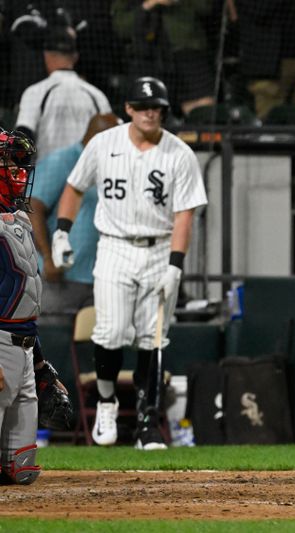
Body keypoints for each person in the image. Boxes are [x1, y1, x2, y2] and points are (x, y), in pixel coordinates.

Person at [51, 76, 208, 450]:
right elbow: (74, 186)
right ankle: (106, 401)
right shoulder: (104, 144)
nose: (150, 113)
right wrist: (61, 232)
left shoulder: (179, 154)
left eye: (157, 108)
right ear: (129, 109)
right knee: (110, 331)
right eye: (143, 107)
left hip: (158, 249)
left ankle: (147, 424)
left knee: (152, 339)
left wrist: (175, 264)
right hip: (115, 247)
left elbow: (185, 213)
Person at [29, 114, 122, 321]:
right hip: (61, 279)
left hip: (102, 279)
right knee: (51, 345)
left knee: (94, 349)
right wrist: (48, 257)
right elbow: (32, 207)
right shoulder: (63, 160)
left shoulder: (113, 166)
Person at [0, 129, 43, 484]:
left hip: (23, 346)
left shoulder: (21, 218)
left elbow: (29, 293)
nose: (19, 172)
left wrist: (40, 360)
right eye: (9, 162)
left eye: (19, 162)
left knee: (21, 472)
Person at [15, 26, 112, 160]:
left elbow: (23, 138)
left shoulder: (35, 92)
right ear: (75, 57)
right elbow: (111, 138)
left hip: (46, 177)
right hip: (86, 177)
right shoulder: (97, 95)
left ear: (46, 55)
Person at [111, 0, 216, 116]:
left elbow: (206, 7)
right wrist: (148, 5)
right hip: (145, 60)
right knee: (148, 115)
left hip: (187, 53)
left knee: (201, 114)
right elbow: (121, 27)